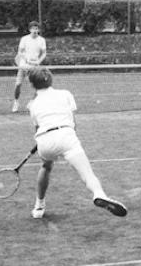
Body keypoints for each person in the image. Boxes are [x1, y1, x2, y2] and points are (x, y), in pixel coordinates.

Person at [25, 67, 127, 219]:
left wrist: (45, 142)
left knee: (46, 166)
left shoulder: (32, 104)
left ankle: (39, 207)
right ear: (50, 79)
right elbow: (73, 122)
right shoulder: (65, 94)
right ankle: (99, 194)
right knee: (87, 174)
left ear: (32, 84)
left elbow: (37, 128)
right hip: (67, 136)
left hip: (44, 141)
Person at [13, 21, 47, 112]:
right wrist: (26, 60)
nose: (35, 30)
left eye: (36, 28)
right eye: (33, 28)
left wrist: (38, 61)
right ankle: (16, 102)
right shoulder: (24, 39)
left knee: (38, 87)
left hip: (34, 67)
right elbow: (20, 52)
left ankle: (31, 103)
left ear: (39, 30)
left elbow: (44, 53)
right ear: (29, 30)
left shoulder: (42, 40)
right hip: (23, 66)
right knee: (18, 85)